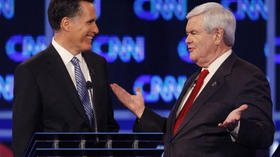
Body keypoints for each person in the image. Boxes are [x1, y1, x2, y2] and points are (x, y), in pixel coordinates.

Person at [110, 2, 275, 157]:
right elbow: (179, 134)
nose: (187, 40)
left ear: (217, 35)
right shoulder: (195, 78)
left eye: (193, 33)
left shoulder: (247, 77)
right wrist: (141, 112)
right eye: (187, 34)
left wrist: (237, 127)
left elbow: (264, 134)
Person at [12, 0, 119, 156]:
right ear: (66, 24)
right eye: (90, 22)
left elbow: (108, 127)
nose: (96, 29)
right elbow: (24, 144)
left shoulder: (98, 64)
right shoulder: (32, 71)